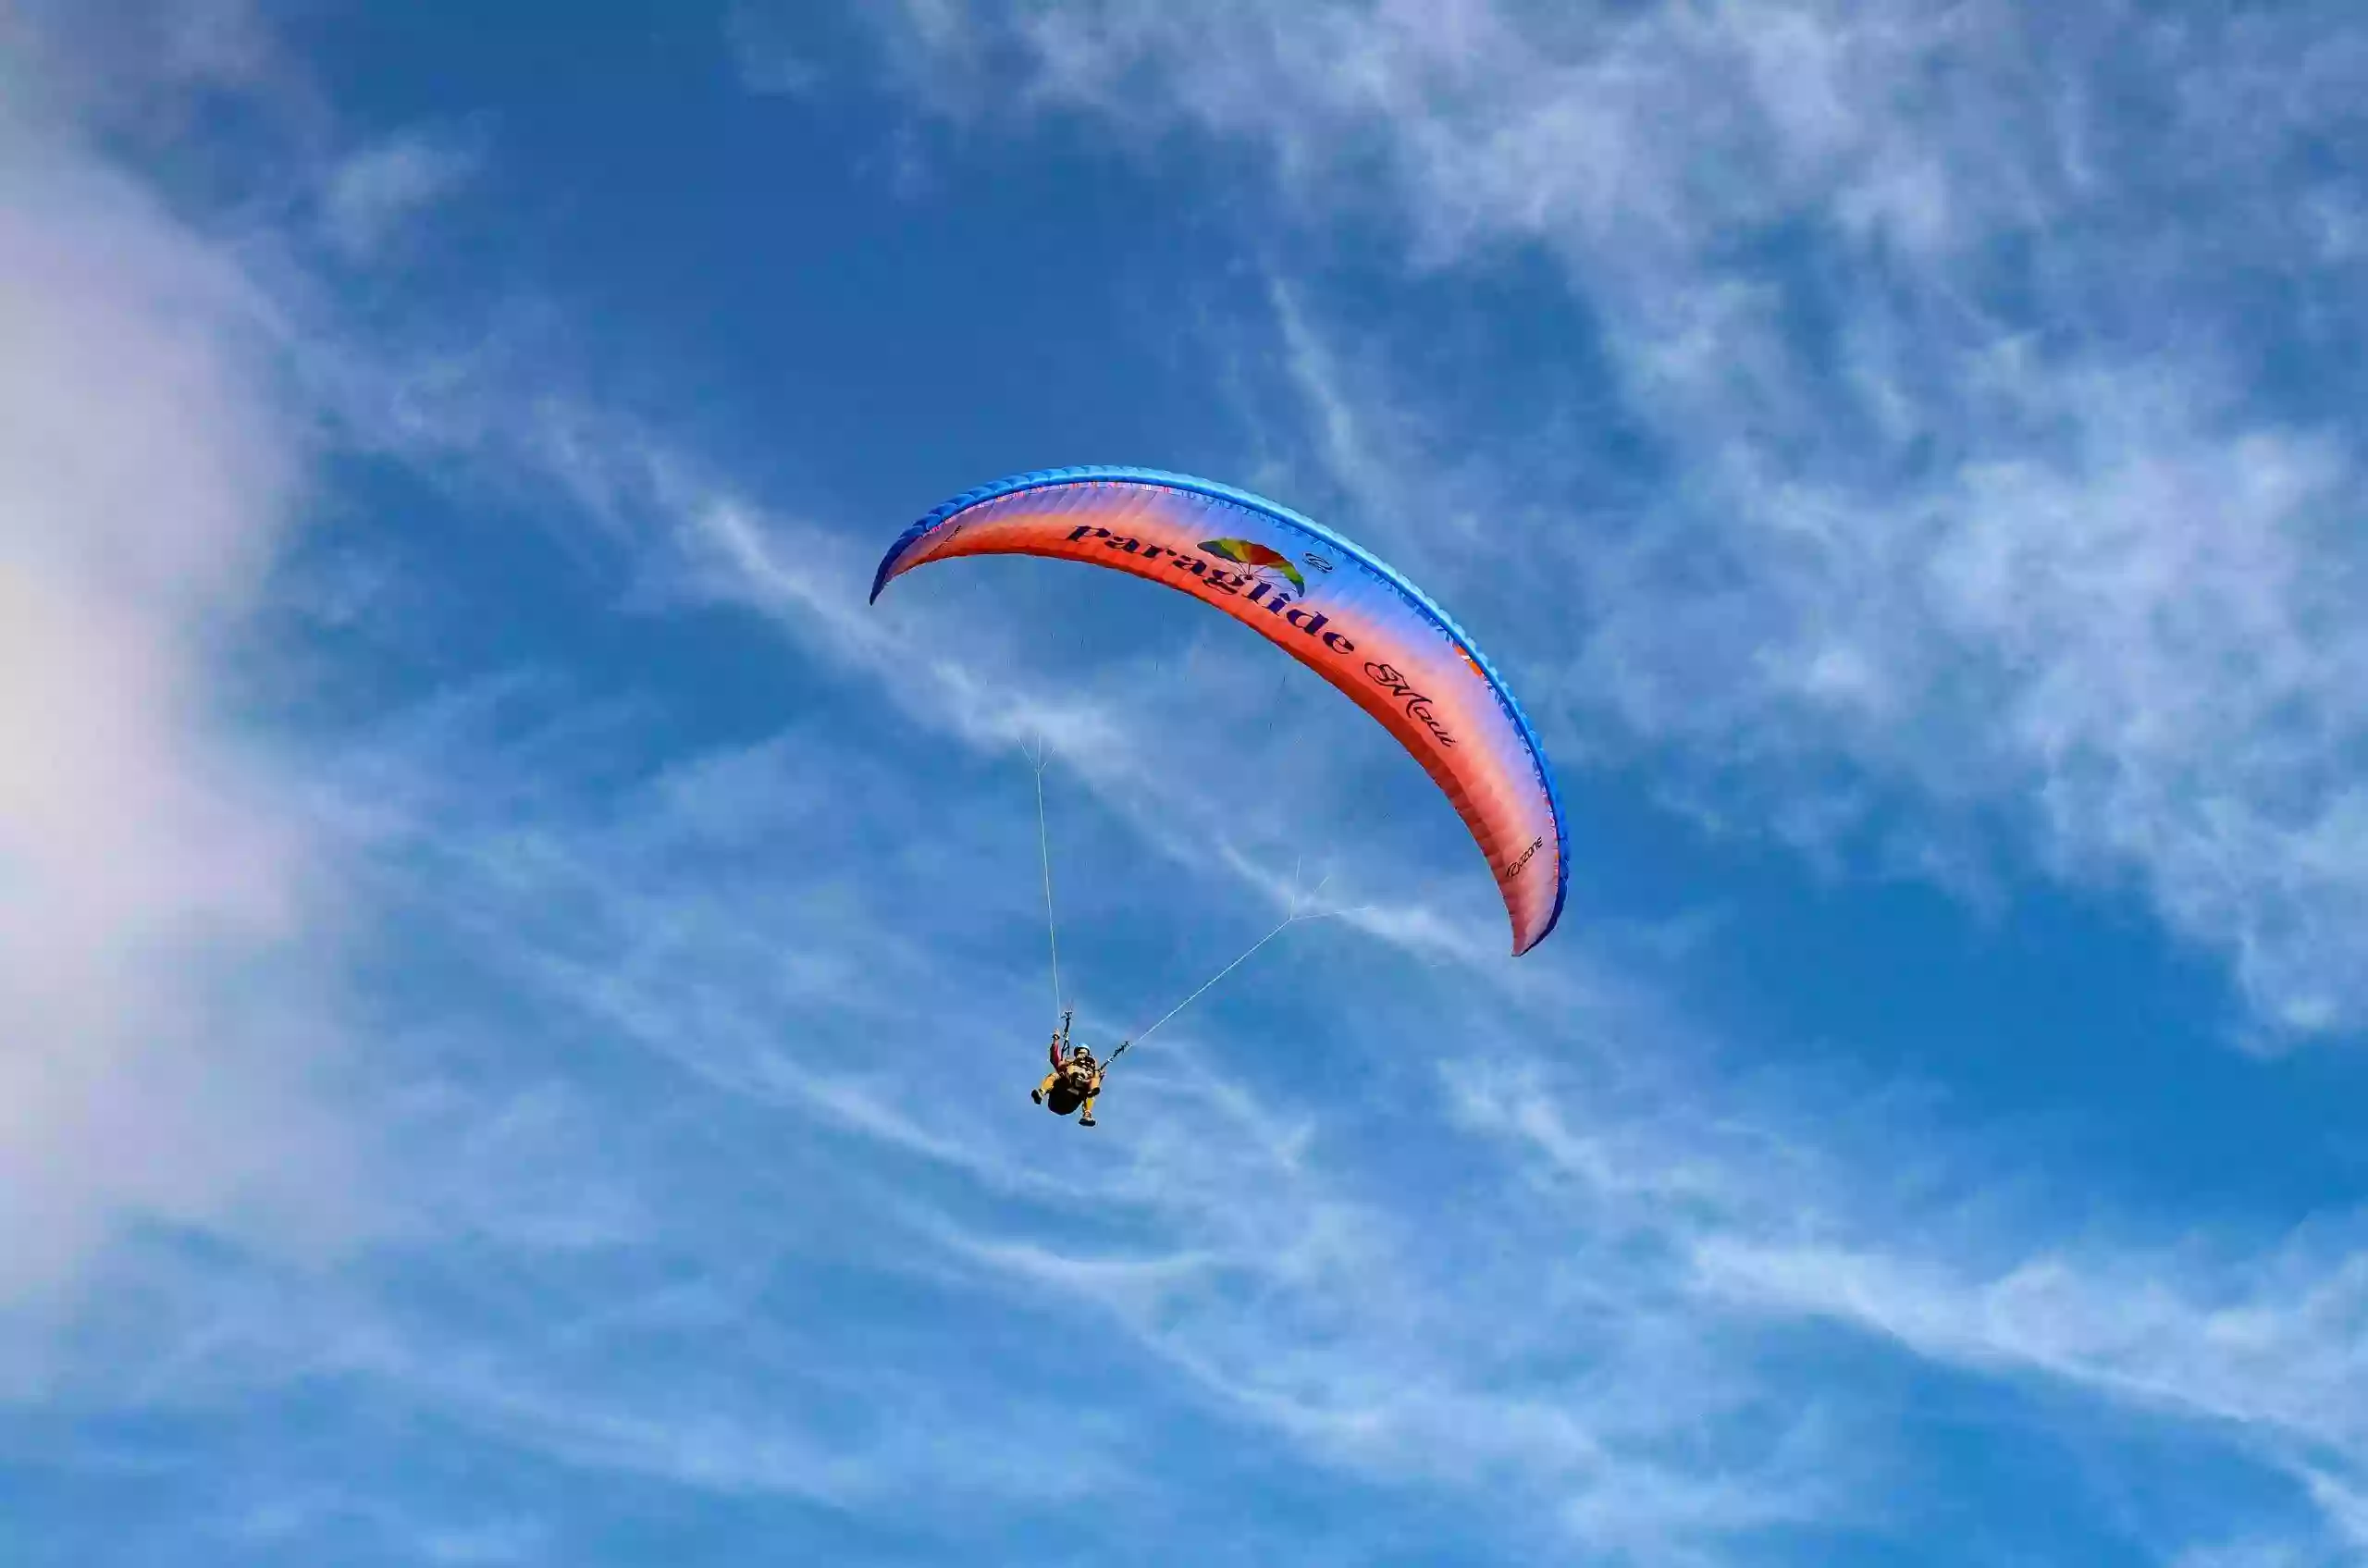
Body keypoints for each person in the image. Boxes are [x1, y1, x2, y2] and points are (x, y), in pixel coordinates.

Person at [1031, 1018, 1104, 1127]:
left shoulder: (1091, 1069)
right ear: (1076, 1053)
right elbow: (1056, 1060)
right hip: (1060, 1095)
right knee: (1056, 1075)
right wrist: (1056, 1040)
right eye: (1081, 1053)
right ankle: (1041, 1093)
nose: (1083, 1056)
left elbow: (1096, 1077)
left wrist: (1097, 1075)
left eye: (1085, 1054)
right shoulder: (1069, 1062)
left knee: (1093, 1082)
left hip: (1073, 1099)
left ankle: (1087, 1115)